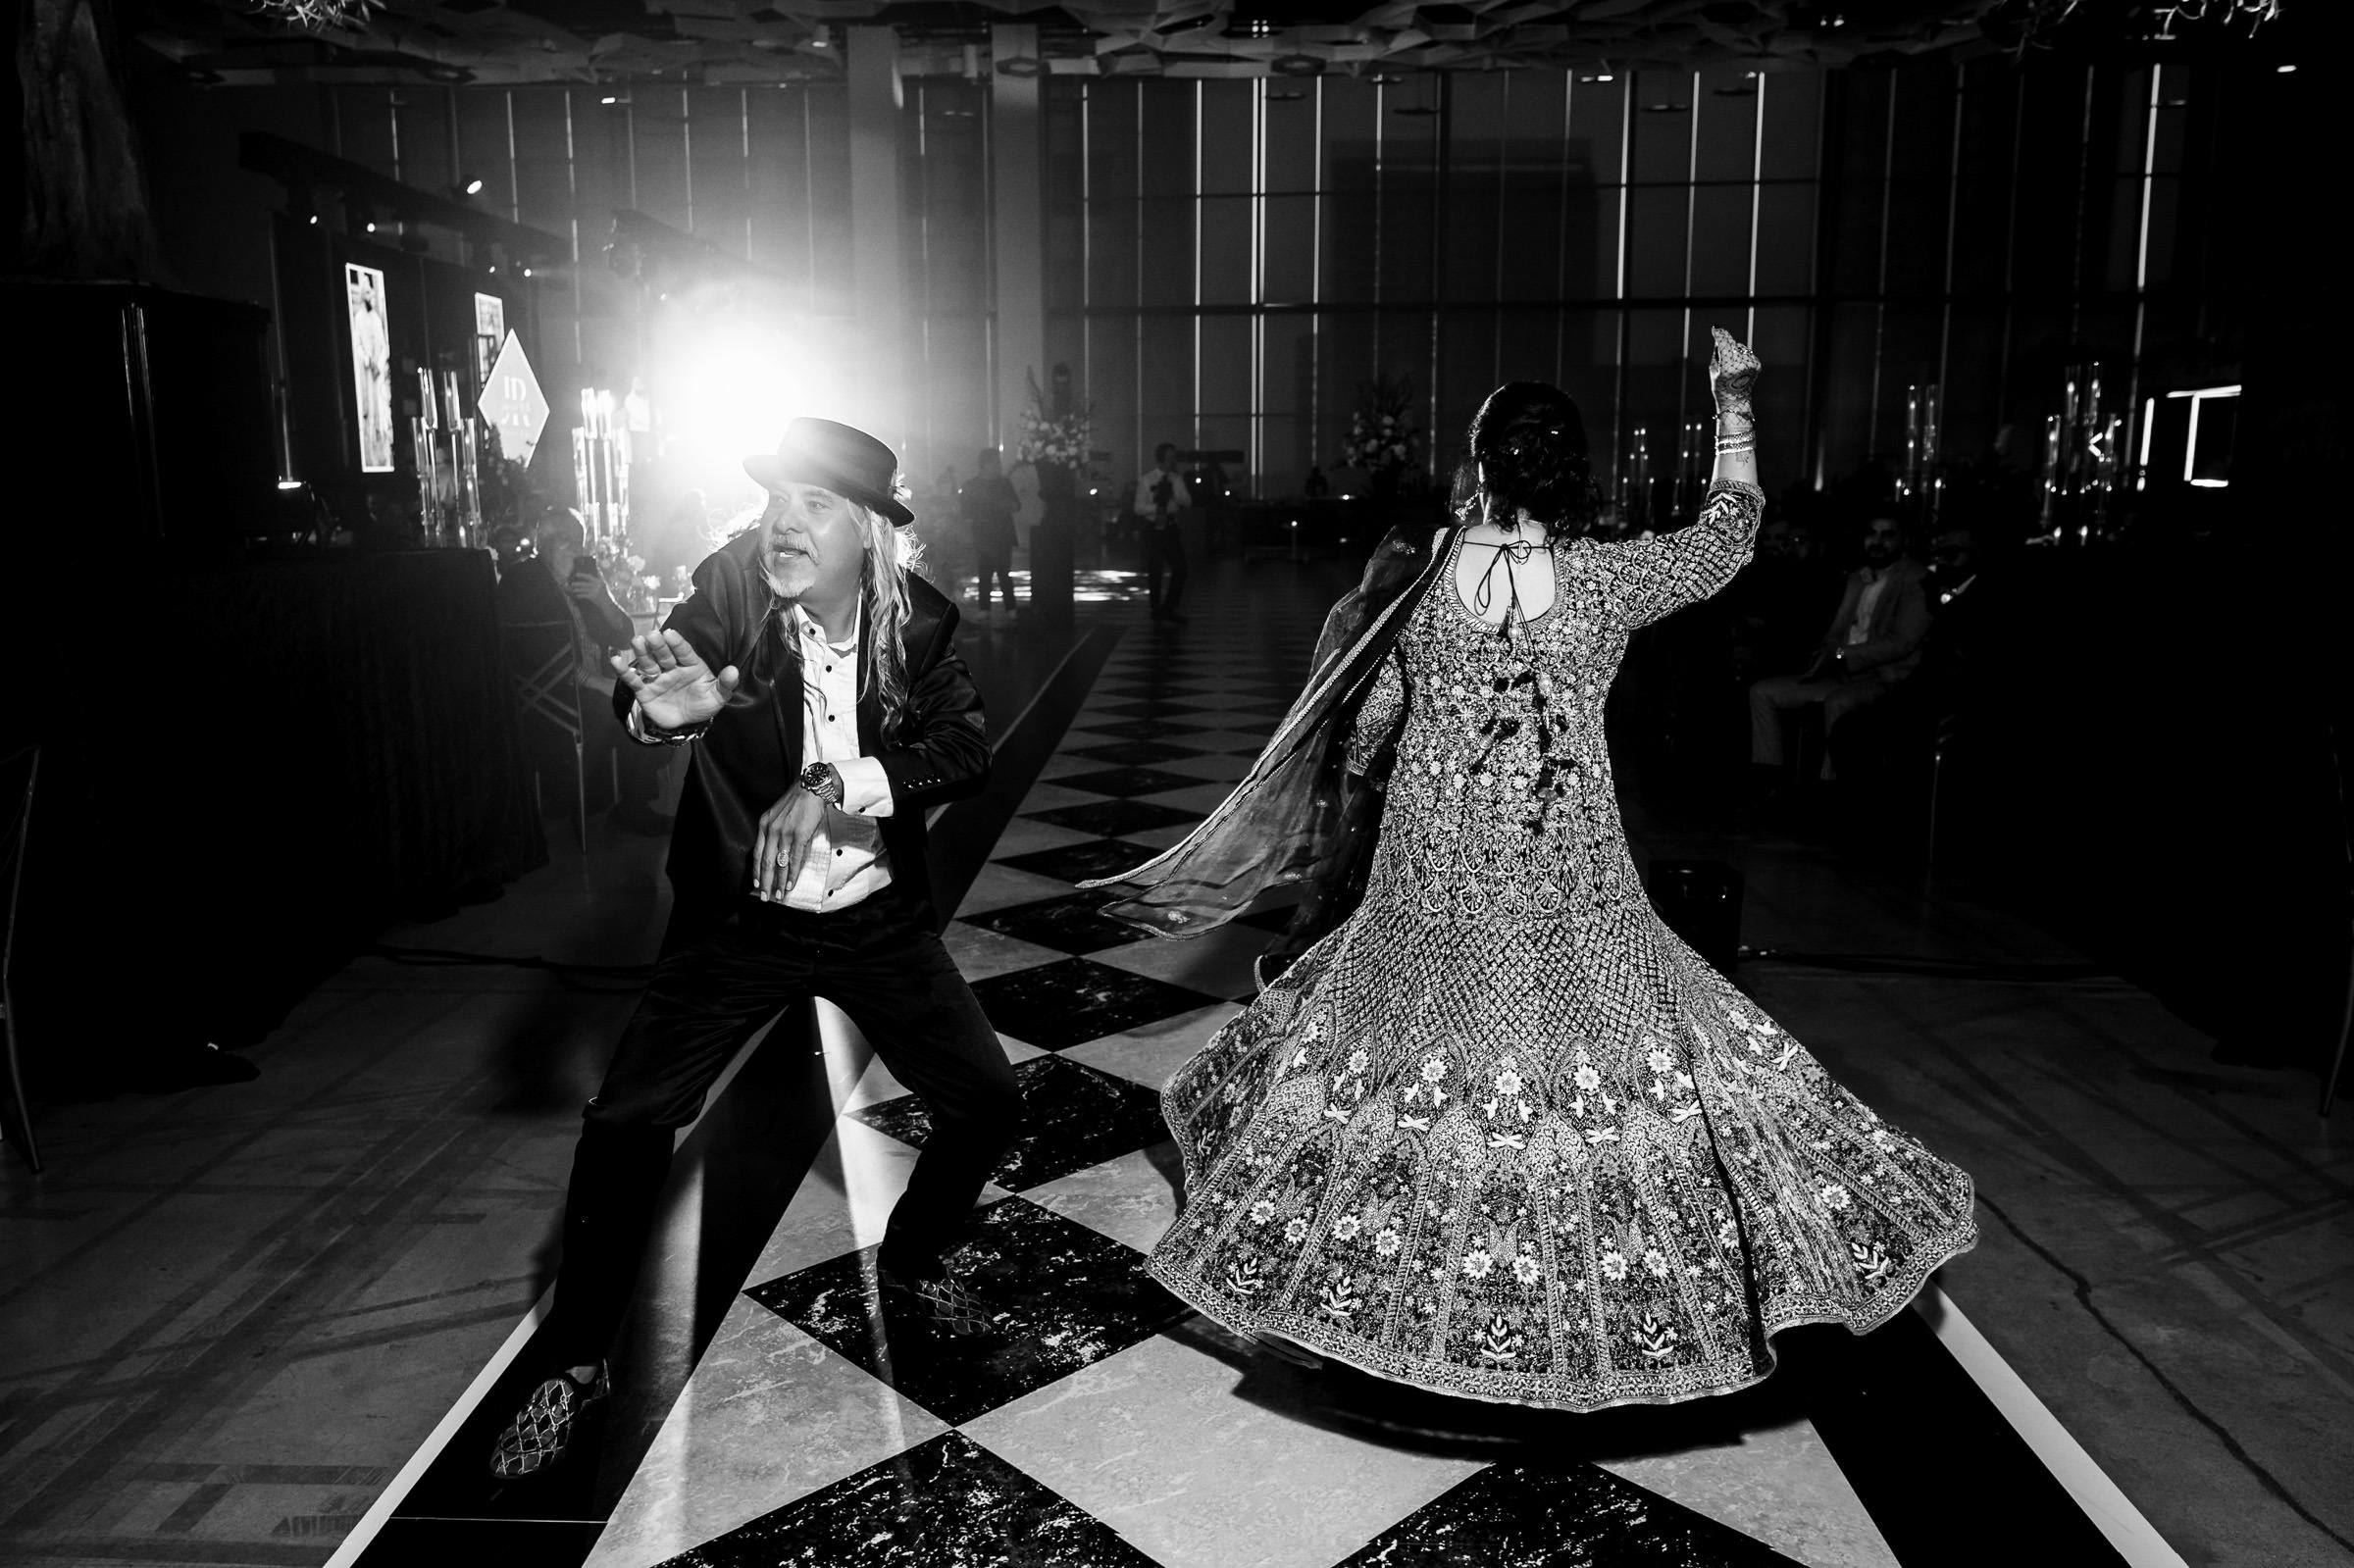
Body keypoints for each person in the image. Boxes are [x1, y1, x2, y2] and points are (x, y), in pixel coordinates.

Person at [1080, 332, 1975, 1409]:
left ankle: (1385, 1287)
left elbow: (1371, 722)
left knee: (1404, 1043)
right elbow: (1730, 537)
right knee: (1591, 1048)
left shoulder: (1421, 578)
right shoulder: (1603, 582)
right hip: (1566, 857)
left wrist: (1348, 806)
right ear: (1571, 469)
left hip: (1436, 857)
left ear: (1482, 462)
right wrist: (1733, 405)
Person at [486, 419, 1018, 1478]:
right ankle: (576, 1362)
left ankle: (910, 1258)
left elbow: (963, 748)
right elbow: (675, 684)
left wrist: (830, 787)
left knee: (988, 1105)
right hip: (743, 919)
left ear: (868, 534)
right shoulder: (734, 587)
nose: (785, 517)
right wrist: (662, 719)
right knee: (629, 1115)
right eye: (779, 494)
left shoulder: (914, 625)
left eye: (816, 502)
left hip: (871, 917)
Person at [496, 509, 670, 835]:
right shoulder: (525, 580)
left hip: (587, 687)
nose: (576, 549)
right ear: (542, 542)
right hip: (550, 698)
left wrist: (603, 600)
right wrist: (607, 686)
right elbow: (542, 657)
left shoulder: (580, 581)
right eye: (566, 540)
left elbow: (624, 636)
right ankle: (602, 803)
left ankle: (629, 803)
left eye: (580, 541)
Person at [1746, 513, 1929, 784]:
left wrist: (1842, 655)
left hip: (1886, 679)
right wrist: (1827, 654)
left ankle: (1830, 786)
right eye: (1872, 534)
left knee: (1839, 702)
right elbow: (1837, 629)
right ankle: (1769, 779)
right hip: (1842, 673)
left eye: (1887, 534)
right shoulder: (1858, 577)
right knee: (1762, 692)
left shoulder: (1916, 579)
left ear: (1904, 540)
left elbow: (1902, 643)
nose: (1877, 541)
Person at [1135, 441, 1193, 625]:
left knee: (1180, 568)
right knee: (1155, 569)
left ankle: (1170, 606)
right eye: (1170, 458)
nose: (1173, 461)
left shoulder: (1177, 478)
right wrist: (1159, 507)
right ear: (1161, 459)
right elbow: (1138, 508)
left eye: (1174, 458)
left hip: (1170, 528)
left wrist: (1176, 491)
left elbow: (1187, 501)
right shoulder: (1147, 479)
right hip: (1153, 529)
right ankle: (1156, 609)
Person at [962, 447, 1021, 621]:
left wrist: (1005, 506)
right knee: (985, 573)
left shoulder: (1004, 483)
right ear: (985, 464)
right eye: (995, 462)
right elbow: (966, 513)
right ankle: (986, 608)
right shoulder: (971, 486)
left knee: (1004, 571)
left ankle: (1010, 608)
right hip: (983, 535)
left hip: (1002, 535)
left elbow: (1016, 505)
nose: (998, 466)